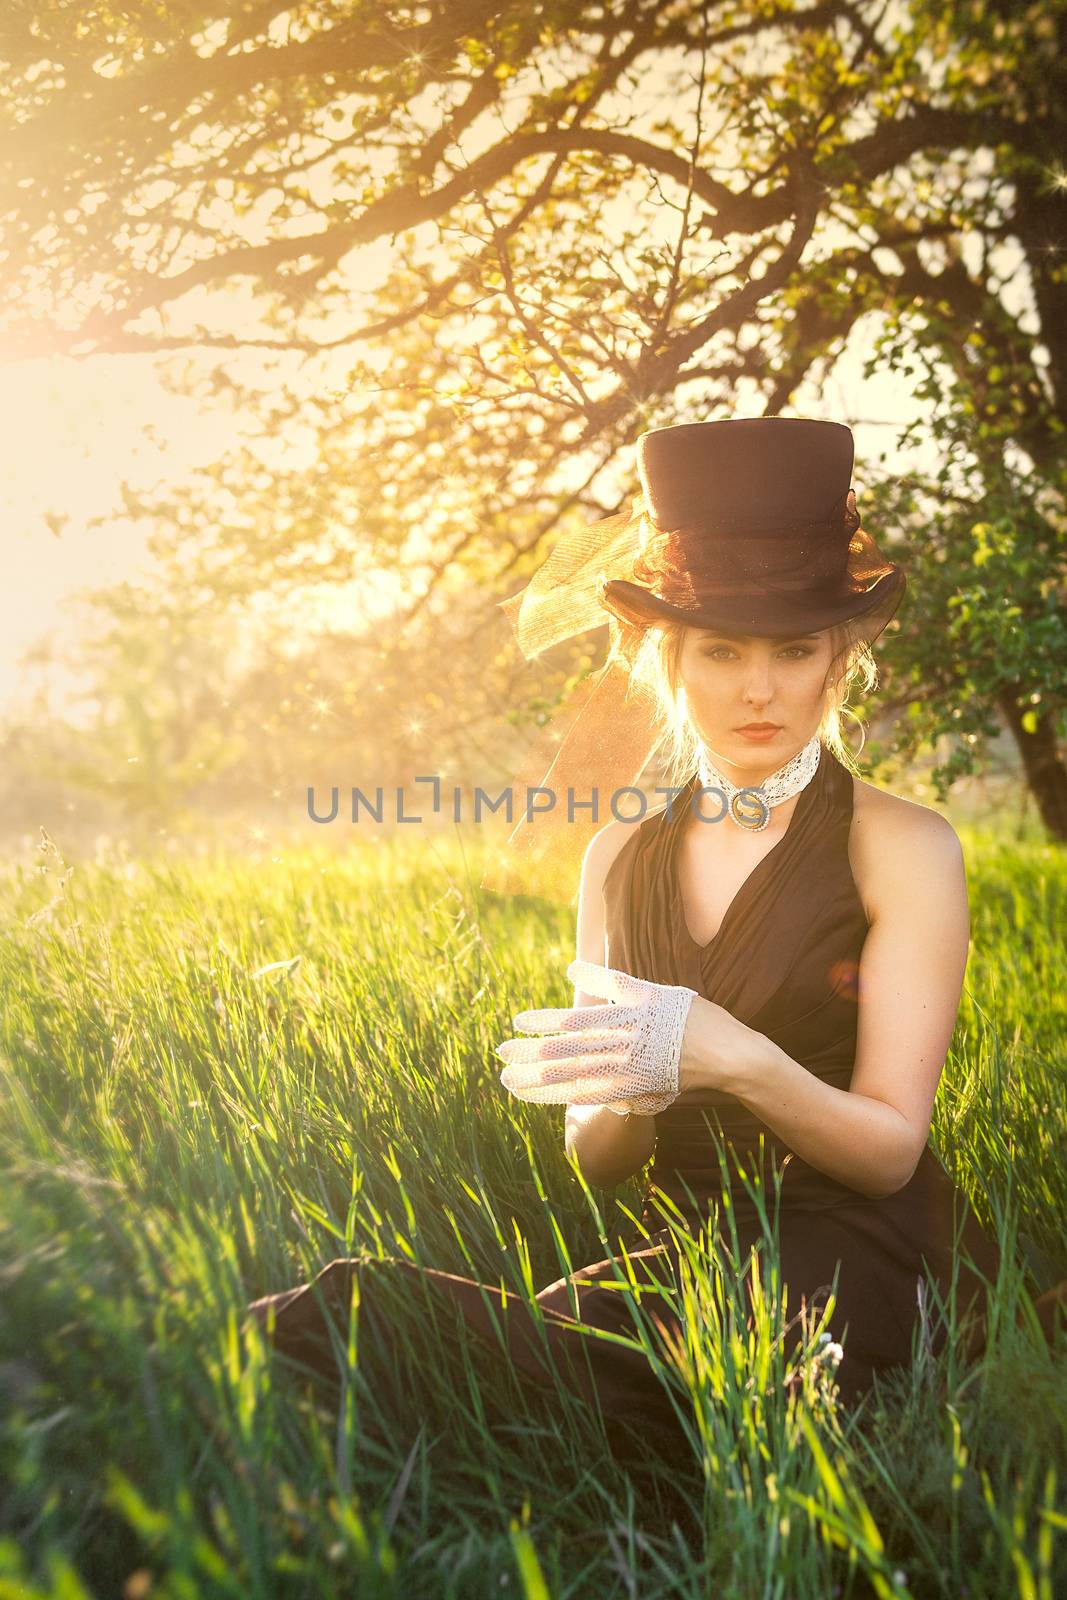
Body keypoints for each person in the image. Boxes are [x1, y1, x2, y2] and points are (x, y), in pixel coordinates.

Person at [243, 418, 1065, 1455]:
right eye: (720, 650)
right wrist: (629, 1084)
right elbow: (598, 1156)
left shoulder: (901, 845)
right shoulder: (616, 856)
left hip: (863, 1250)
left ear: (838, 659)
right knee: (435, 1336)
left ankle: (729, 1421)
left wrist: (729, 1055)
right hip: (686, 1249)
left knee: (494, 1357)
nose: (756, 686)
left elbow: (888, 1152)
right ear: (663, 657)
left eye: (792, 649)